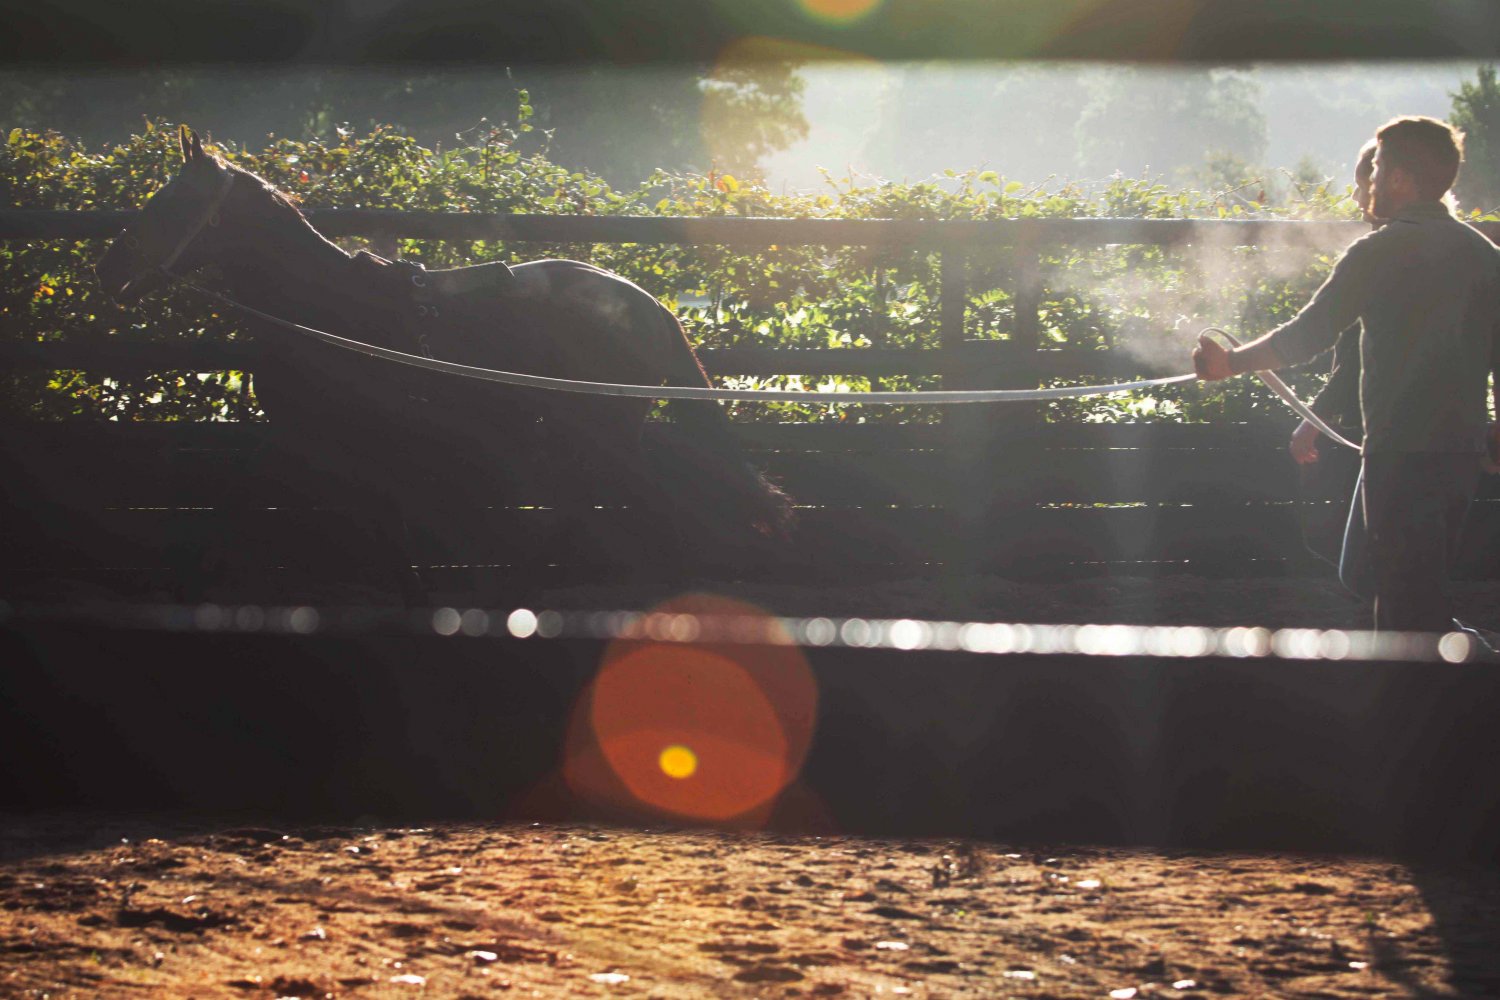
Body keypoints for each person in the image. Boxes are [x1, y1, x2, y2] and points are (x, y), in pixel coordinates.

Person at [1194, 116, 1500, 632]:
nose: (1369, 181)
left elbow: (1307, 336)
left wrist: (1231, 363)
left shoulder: (1377, 251)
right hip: (1460, 454)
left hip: (1401, 453)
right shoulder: (1485, 255)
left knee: (1401, 603)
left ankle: (1459, 669)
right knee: (1401, 584)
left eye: (1376, 169)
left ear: (1399, 179)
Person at [1289, 139, 1380, 593]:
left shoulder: (1375, 256)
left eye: (1363, 185)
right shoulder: (1474, 252)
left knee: (1366, 571)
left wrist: (1311, 422)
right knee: (1401, 567)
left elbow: (1336, 348)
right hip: (1451, 438)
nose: (1357, 197)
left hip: (1393, 442)